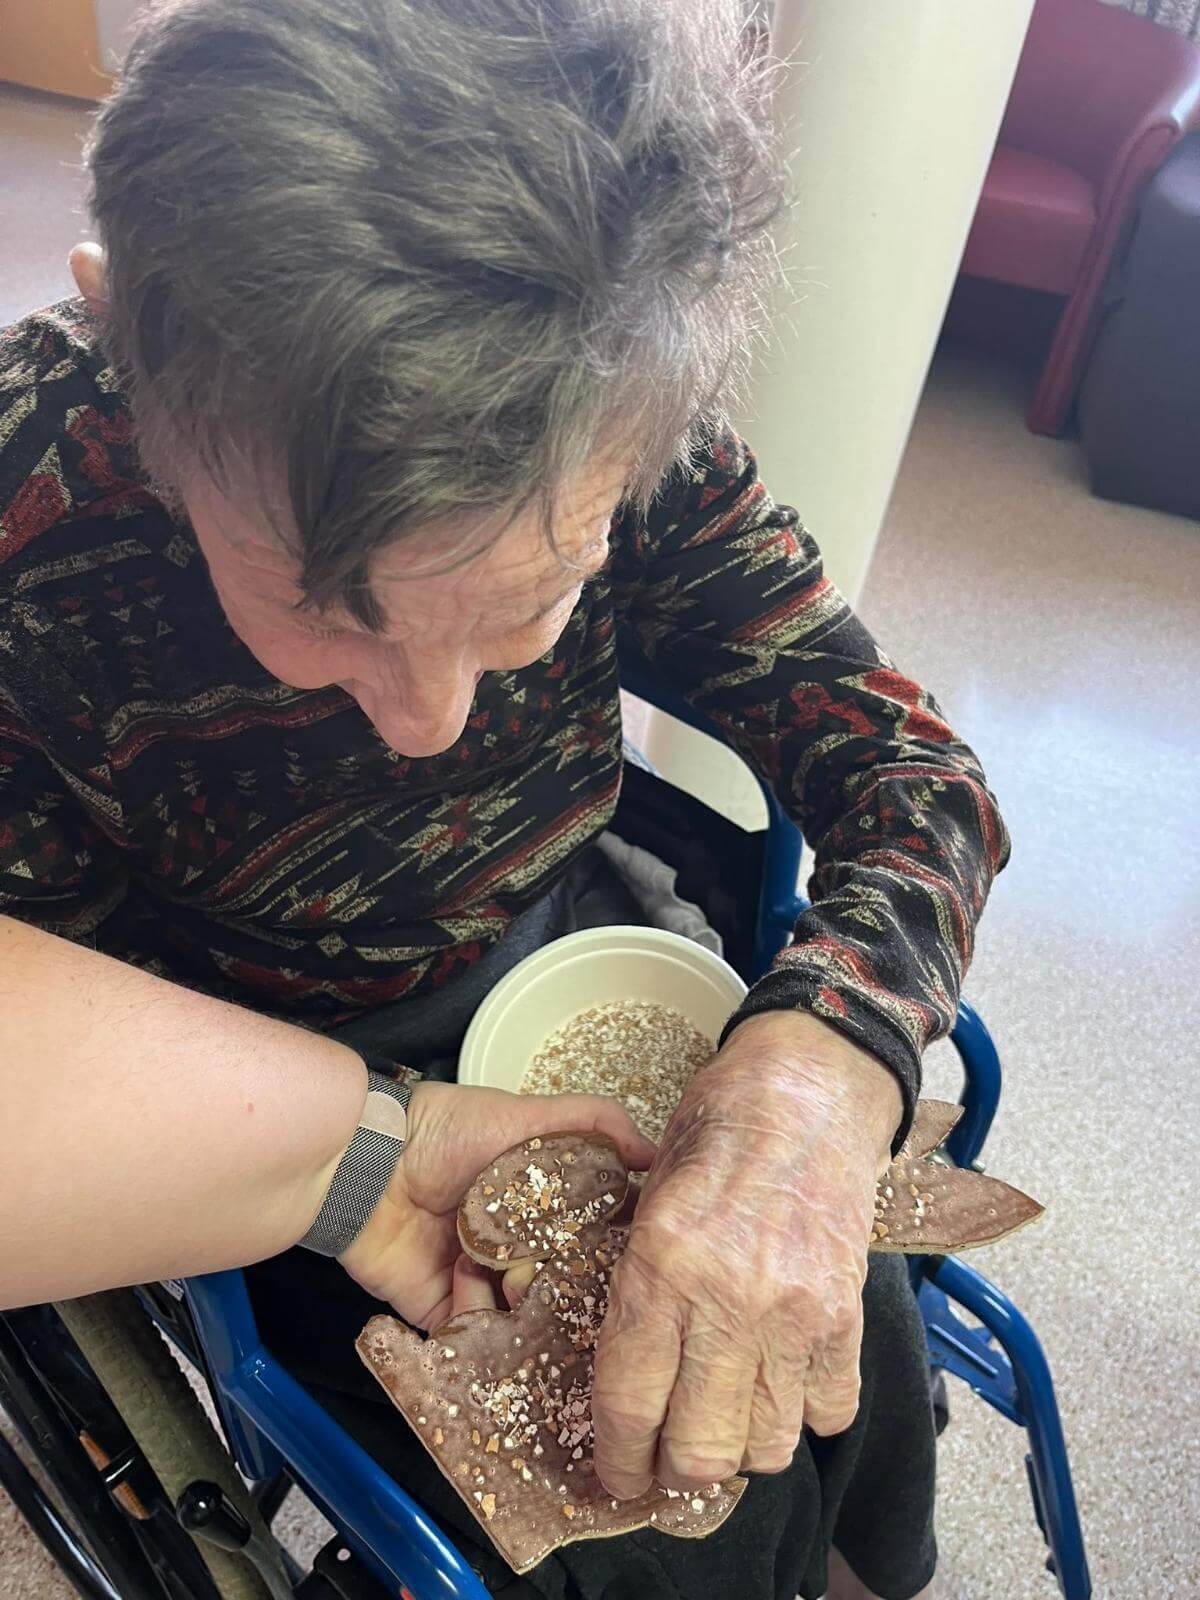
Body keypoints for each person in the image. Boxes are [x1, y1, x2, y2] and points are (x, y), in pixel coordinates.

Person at [0, 2, 1009, 1596]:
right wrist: (328, 1144)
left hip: (576, 940)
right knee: (622, 1522)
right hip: (221, 1064)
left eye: (532, 605)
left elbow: (914, 771)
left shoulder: (611, 401)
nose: (429, 724)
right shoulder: (28, 517)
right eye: (328, 613)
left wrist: (819, 1079)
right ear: (130, 344)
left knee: (842, 1322)